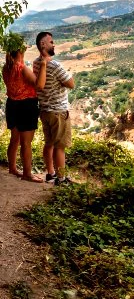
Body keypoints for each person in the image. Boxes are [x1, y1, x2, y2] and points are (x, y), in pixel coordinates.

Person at [2, 33, 47, 182]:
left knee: (14, 139)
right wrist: (43, 65)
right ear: (21, 51)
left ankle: (12, 168)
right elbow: (39, 85)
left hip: (12, 105)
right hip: (26, 106)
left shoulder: (6, 68)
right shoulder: (22, 68)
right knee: (26, 143)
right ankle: (27, 174)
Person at [32, 31, 74, 185]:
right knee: (60, 147)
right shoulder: (55, 65)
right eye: (51, 42)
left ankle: (50, 174)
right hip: (58, 112)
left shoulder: (36, 63)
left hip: (45, 111)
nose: (54, 44)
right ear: (43, 44)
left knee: (49, 143)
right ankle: (61, 179)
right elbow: (71, 84)